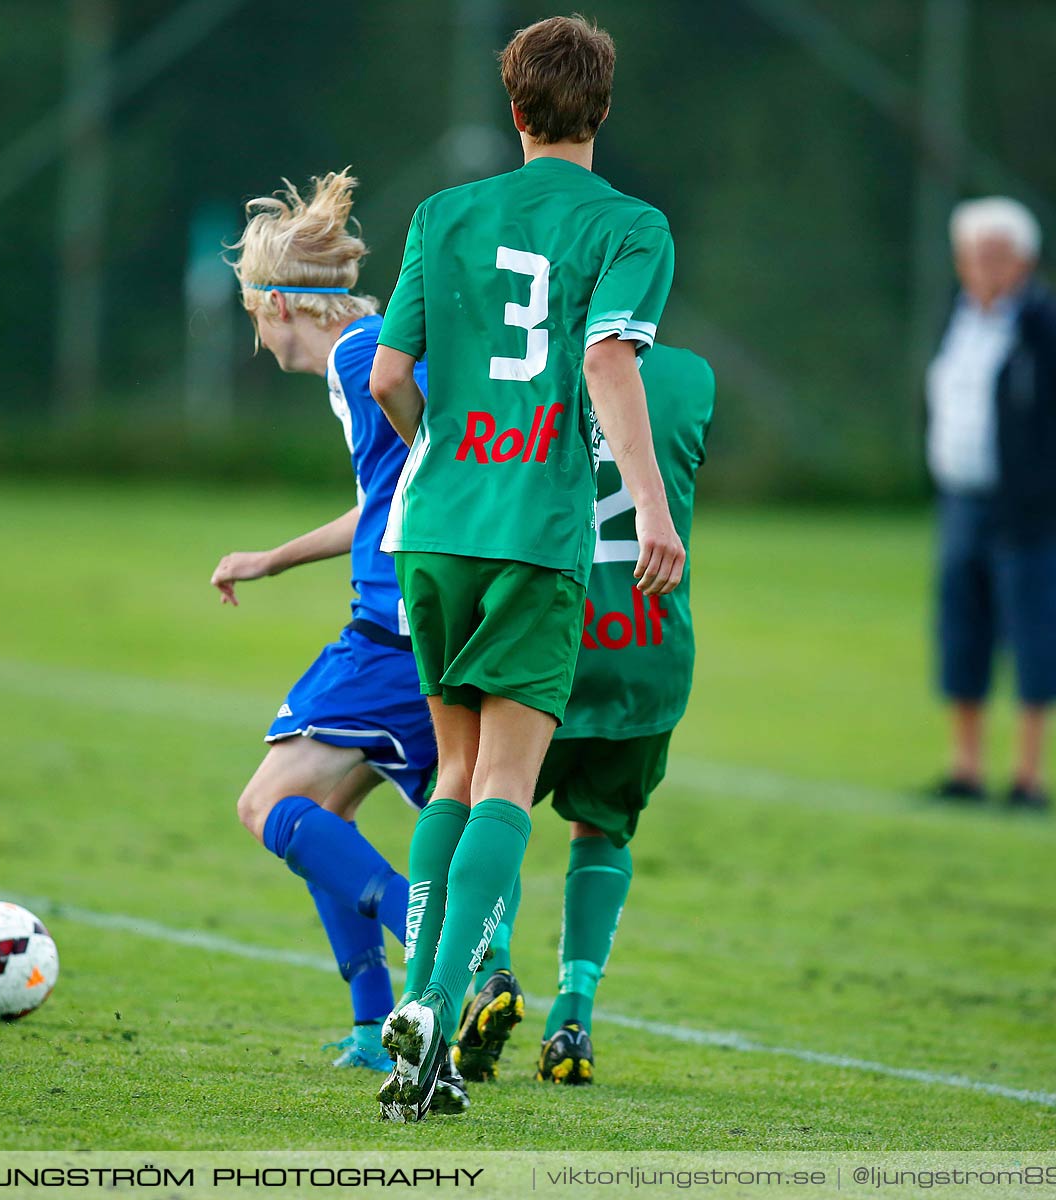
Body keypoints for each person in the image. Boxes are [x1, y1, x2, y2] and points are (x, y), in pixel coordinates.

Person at [366, 14, 685, 1121]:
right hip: (534, 534)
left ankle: (414, 1000)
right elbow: (605, 357)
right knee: (505, 785)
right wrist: (649, 504)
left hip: (433, 527)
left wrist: (437, 454)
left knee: (452, 776)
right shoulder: (631, 227)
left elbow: (390, 374)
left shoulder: (443, 212)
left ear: (514, 109)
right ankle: (439, 1013)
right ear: (601, 109)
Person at [213, 171, 462, 1105]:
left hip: (397, 625)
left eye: (253, 315)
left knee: (266, 805)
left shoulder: (364, 361)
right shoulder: (365, 357)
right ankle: (371, 1025)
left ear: (281, 305)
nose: (256, 336)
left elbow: (431, 476)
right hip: (416, 617)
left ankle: (442, 945)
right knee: (327, 810)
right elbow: (387, 498)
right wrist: (272, 559)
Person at [449, 343, 714, 1087]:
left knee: (485, 798)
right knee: (602, 826)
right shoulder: (692, 378)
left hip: (546, 642)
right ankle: (575, 1014)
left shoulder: (517, 369)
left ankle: (490, 970)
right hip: (647, 644)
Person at [925, 197, 1056, 812]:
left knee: (1037, 635)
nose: (983, 265)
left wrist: (1055, 486)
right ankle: (965, 768)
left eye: (996, 254)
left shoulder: (1052, 327)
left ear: (1025, 260)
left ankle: (1029, 776)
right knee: (963, 629)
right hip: (962, 501)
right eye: (973, 254)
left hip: (1030, 512)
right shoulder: (955, 318)